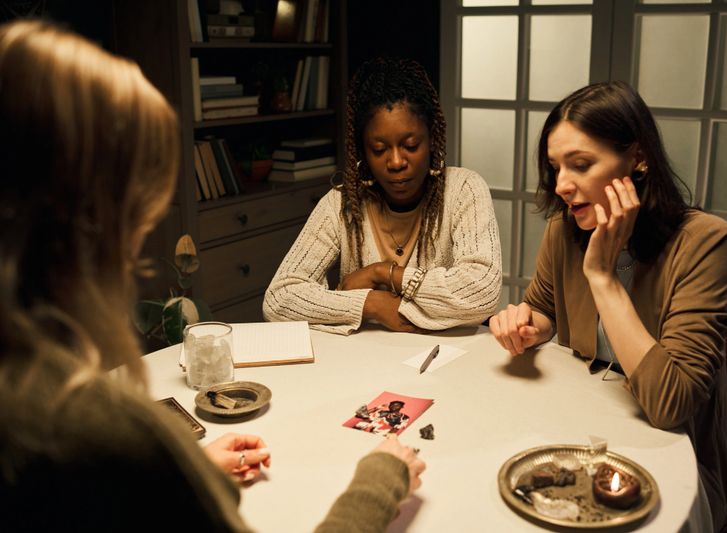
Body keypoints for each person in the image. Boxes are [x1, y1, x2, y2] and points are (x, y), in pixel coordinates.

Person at [0, 20, 423, 532]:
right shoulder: (90, 426)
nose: (140, 245)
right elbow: (282, 298)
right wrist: (380, 480)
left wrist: (186, 473)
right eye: (138, 213)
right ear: (88, 224)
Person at [489, 81, 727, 530]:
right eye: (555, 167)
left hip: (680, 460)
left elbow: (670, 404)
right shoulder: (564, 230)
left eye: (581, 165)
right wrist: (529, 324)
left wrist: (603, 277)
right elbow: (545, 308)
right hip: (588, 433)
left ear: (638, 158)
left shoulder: (708, 244)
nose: (562, 185)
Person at [263, 57, 502, 335]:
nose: (397, 161)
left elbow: (482, 291)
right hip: (366, 365)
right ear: (362, 152)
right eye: (379, 149)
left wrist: (382, 273)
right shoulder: (341, 204)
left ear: (432, 140)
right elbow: (279, 299)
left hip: (446, 360)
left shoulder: (464, 190)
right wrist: (371, 304)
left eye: (411, 145)